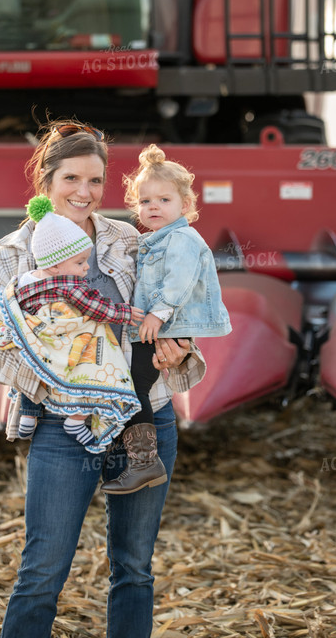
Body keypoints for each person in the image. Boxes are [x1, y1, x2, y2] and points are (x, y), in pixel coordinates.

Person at [0, 119, 206, 638]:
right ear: (47, 182)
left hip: (145, 418)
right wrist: (62, 385)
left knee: (134, 568)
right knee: (42, 571)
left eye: (96, 181)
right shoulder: (13, 253)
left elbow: (180, 297)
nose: (85, 192)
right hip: (64, 427)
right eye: (71, 180)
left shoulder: (131, 239)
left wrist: (179, 341)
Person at [101, 144, 231, 493]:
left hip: (166, 326)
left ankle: (144, 462)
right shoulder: (156, 239)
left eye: (164, 200)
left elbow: (180, 279)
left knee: (131, 386)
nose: (153, 207)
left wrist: (157, 314)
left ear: (185, 205)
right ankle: (142, 460)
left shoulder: (182, 239)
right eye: (145, 202)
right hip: (158, 327)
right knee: (134, 384)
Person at [0, 193, 145, 455]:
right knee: (83, 372)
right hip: (65, 338)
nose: (86, 268)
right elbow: (95, 308)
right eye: (79, 262)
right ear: (54, 266)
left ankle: (28, 415)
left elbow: (10, 307)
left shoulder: (25, 280)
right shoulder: (69, 285)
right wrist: (124, 314)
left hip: (38, 337)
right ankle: (77, 421)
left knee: (37, 366)